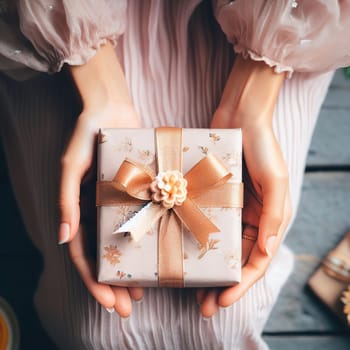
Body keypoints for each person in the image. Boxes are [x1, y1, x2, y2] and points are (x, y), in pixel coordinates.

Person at [0, 0, 349, 348]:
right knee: (92, 325)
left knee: (227, 313)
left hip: (278, 23)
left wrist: (254, 92)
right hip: (66, 26)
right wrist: (98, 83)